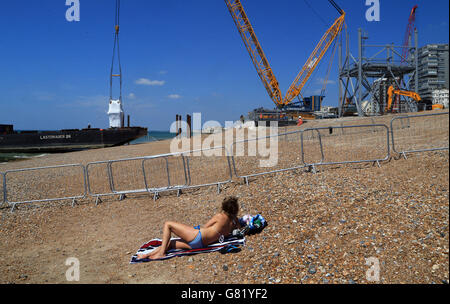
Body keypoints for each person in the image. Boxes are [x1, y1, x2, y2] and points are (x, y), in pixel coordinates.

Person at [137, 196, 241, 260]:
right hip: (201, 244)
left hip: (198, 236)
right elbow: (237, 228)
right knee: (170, 244)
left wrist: (194, 229)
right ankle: (146, 255)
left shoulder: (219, 216)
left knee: (168, 225)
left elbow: (205, 226)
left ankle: (161, 253)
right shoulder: (234, 221)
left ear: (224, 207)